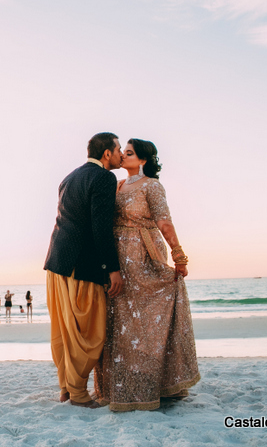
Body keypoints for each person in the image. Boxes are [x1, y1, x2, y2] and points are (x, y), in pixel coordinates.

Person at [94, 139, 200, 411]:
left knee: (144, 324)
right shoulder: (117, 185)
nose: (122, 156)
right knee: (120, 323)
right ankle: (121, 387)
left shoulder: (152, 185)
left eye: (128, 153)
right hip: (118, 259)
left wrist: (178, 255)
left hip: (144, 255)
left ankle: (156, 384)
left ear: (142, 159)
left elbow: (164, 221)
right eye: (122, 152)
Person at [44, 132, 123, 408]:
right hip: (81, 265)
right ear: (106, 154)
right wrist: (112, 269)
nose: (121, 155)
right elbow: (101, 228)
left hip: (56, 262)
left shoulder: (69, 177)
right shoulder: (104, 178)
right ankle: (78, 394)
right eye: (119, 150)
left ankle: (65, 388)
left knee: (63, 330)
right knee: (89, 333)